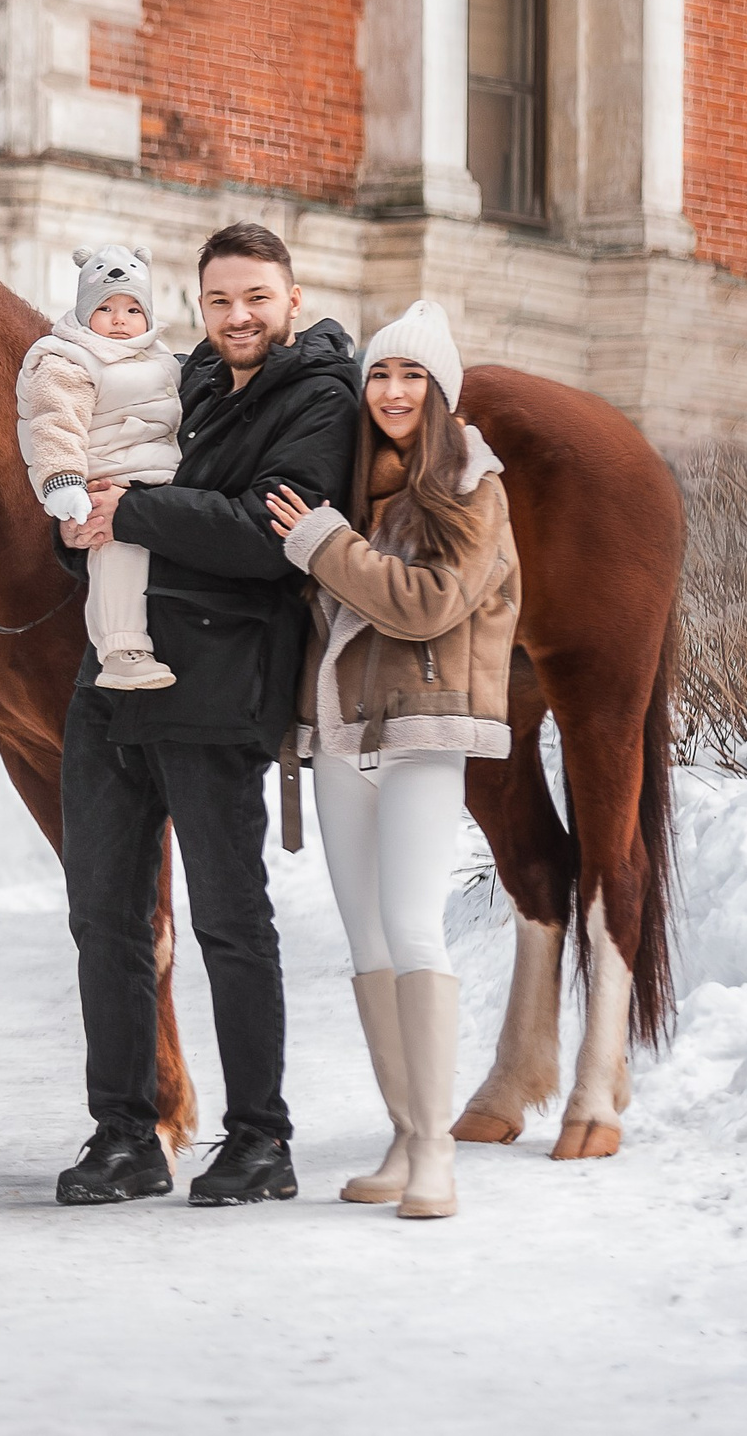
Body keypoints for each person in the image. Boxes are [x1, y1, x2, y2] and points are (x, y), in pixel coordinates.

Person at [51, 221, 358, 1208]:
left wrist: (129, 511)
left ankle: (260, 1140)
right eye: (220, 299)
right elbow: (110, 501)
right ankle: (124, 1134)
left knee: (230, 921)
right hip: (111, 678)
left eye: (256, 299)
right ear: (200, 303)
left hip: (220, 685)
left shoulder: (318, 394)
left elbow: (272, 531)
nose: (237, 317)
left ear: (290, 299)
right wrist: (85, 518)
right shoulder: (179, 382)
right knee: (103, 919)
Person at [269, 301, 518, 1222]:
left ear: (442, 388)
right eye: (381, 373)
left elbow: (427, 604)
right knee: (367, 941)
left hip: (421, 727)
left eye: (412, 375)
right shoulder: (353, 484)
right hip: (341, 734)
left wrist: (324, 546)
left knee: (413, 927)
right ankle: (406, 1133)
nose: (394, 390)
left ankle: (439, 1155)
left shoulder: (468, 482)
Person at [16, 246, 183, 690]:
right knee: (116, 547)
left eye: (132, 308)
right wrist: (64, 480)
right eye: (105, 308)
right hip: (109, 474)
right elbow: (55, 422)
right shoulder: (69, 360)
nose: (119, 319)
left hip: (161, 479)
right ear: (84, 312)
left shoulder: (162, 359)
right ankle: (120, 649)